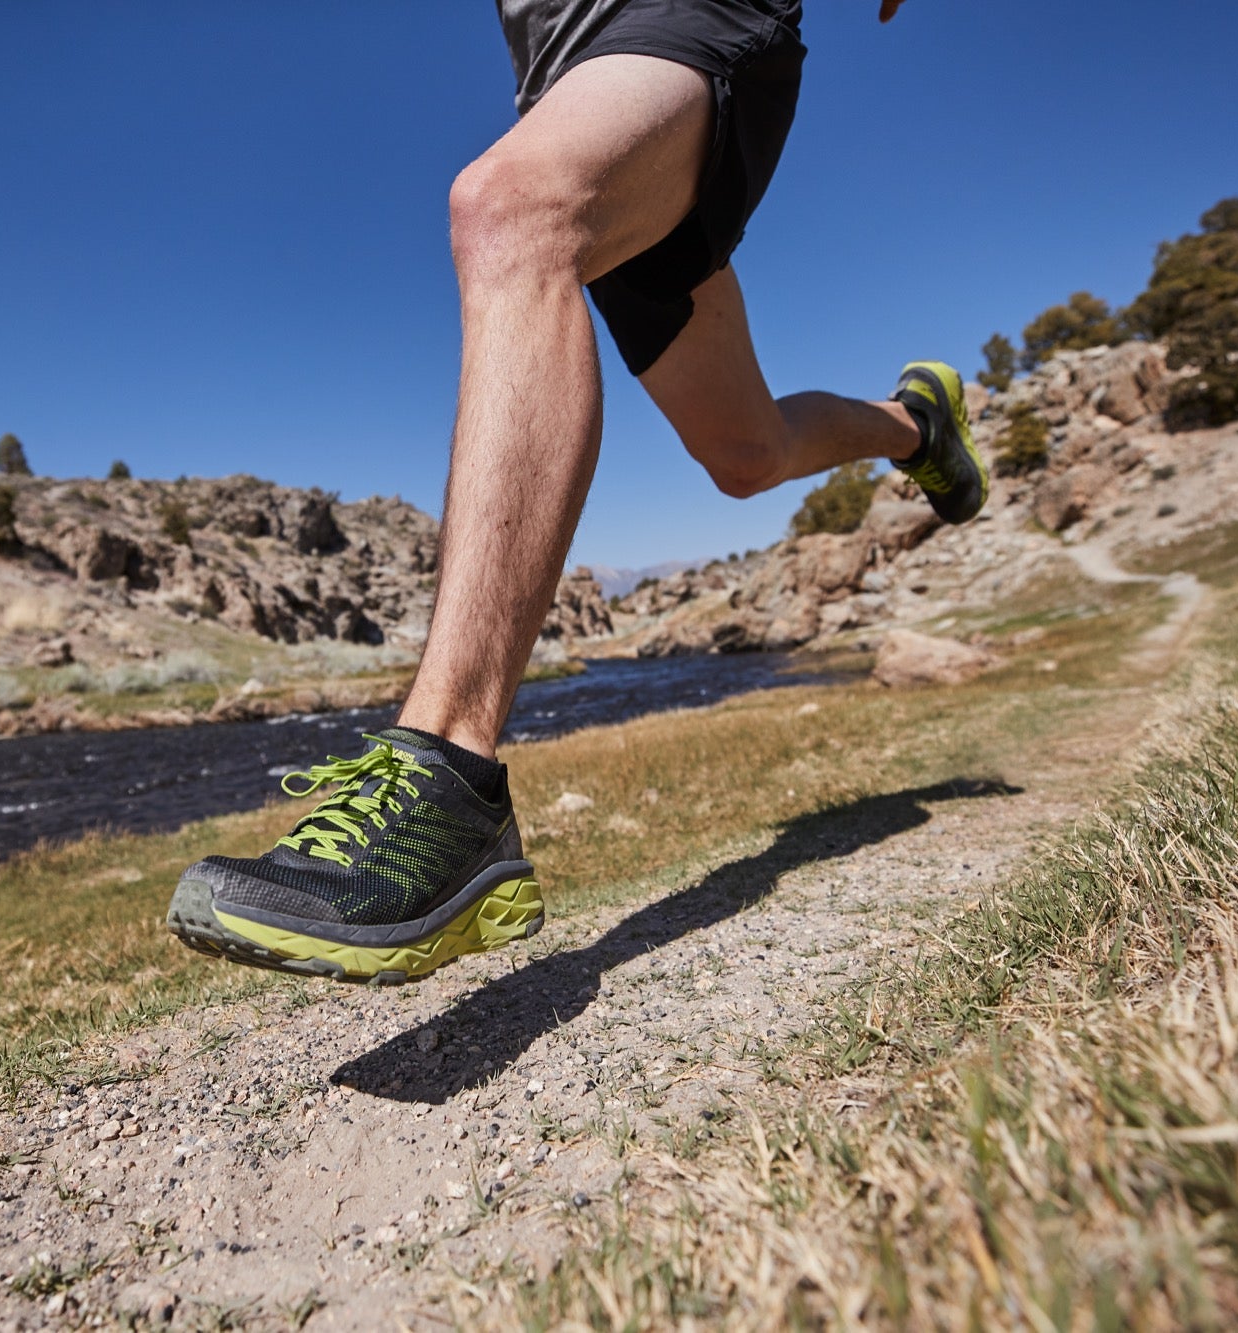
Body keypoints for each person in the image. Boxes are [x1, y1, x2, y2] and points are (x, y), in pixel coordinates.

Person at [166, 0, 986, 983]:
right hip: (573, 83)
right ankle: (916, 425)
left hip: (686, 21)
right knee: (745, 454)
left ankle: (449, 778)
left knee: (509, 209)